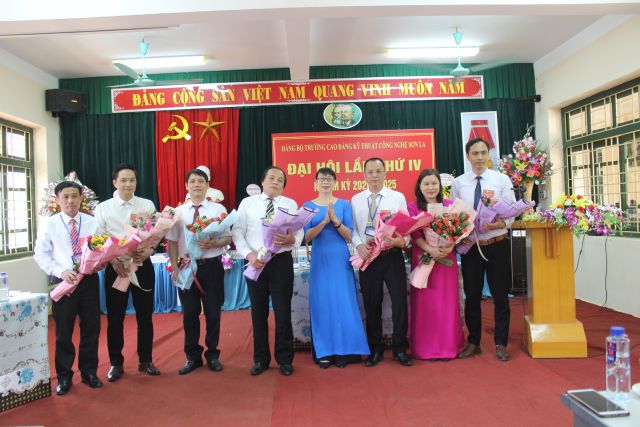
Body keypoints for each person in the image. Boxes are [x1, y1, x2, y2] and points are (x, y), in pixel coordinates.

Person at [231, 166, 303, 376]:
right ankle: (261, 359)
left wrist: (292, 240)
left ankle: (285, 359)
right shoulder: (247, 203)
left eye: (280, 180)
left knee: (283, 311)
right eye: (271, 178)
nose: (275, 182)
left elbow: (299, 231)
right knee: (258, 313)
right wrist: (249, 255)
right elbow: (237, 232)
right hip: (257, 262)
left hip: (281, 262)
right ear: (262, 182)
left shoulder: (290, 204)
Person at [34, 181, 103, 395]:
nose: (70, 201)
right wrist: (60, 271)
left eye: (74, 196)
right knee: (63, 332)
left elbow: (101, 249)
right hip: (63, 282)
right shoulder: (50, 224)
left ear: (81, 198)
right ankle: (64, 376)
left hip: (88, 281)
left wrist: (100, 263)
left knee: (91, 328)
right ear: (58, 199)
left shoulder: (92, 222)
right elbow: (40, 254)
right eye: (66, 197)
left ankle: (89, 372)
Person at [451, 138, 516, 362]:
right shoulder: (459, 183)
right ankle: (474, 342)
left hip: (497, 243)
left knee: (500, 296)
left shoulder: (501, 180)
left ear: (488, 155)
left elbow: (512, 211)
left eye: (483, 153)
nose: (479, 157)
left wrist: (499, 224)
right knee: (472, 296)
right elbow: (454, 215)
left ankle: (501, 343)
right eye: (475, 153)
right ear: (467, 156)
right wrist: (462, 229)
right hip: (472, 246)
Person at [94, 164, 161, 381]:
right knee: (115, 318)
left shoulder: (146, 204)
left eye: (132, 180)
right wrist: (113, 260)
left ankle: (146, 360)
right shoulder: (103, 208)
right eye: (123, 180)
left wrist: (149, 251)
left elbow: (154, 236)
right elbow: (99, 239)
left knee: (145, 316)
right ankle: (116, 363)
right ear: (115, 182)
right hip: (118, 269)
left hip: (142, 265)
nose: (128, 184)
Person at [303, 167, 369, 368]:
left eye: (329, 178)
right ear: (316, 182)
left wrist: (335, 221)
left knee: (343, 302)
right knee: (322, 303)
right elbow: (306, 237)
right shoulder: (307, 206)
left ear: (335, 182)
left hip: (340, 258)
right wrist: (323, 222)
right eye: (322, 178)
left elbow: (349, 236)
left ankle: (345, 350)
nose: (325, 182)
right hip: (320, 259)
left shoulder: (343, 205)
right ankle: (325, 350)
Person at [167, 168, 231, 374]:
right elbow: (172, 242)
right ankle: (192, 357)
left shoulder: (218, 209)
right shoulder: (178, 212)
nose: (196, 184)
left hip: (212, 267)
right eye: (192, 181)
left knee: (213, 313)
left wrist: (214, 243)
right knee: (189, 314)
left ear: (207, 185)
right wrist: (175, 267)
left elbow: (228, 237)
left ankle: (213, 355)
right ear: (186, 186)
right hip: (187, 267)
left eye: (200, 181)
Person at [351, 157, 412, 367]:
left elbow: (407, 228)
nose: (374, 175)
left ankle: (399, 348)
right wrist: (359, 245)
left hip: (392, 256)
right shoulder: (356, 199)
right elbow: (353, 230)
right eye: (370, 172)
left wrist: (401, 241)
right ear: (364, 175)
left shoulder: (397, 197)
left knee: (399, 304)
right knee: (371, 304)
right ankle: (375, 349)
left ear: (385, 173)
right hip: (369, 258)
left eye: (378, 171)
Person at [408, 169, 464, 361]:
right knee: (426, 304)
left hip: (446, 259)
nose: (431, 187)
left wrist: (449, 246)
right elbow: (413, 234)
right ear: (420, 187)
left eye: (434, 183)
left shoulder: (450, 206)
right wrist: (430, 249)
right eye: (426, 184)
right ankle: (425, 347)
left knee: (446, 304)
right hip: (423, 258)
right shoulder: (413, 208)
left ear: (440, 186)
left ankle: (447, 346)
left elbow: (459, 231)